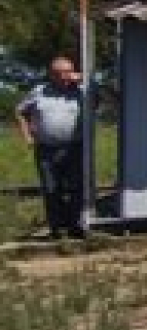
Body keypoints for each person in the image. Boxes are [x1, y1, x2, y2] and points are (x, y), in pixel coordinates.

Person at [15, 56, 87, 240]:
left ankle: (75, 226)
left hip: (74, 148)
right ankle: (57, 228)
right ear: (52, 75)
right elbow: (20, 111)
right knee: (51, 189)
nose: (66, 77)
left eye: (69, 72)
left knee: (76, 188)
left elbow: (107, 99)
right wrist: (27, 135)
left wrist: (86, 80)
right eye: (61, 73)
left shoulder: (81, 91)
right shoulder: (39, 91)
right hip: (46, 150)